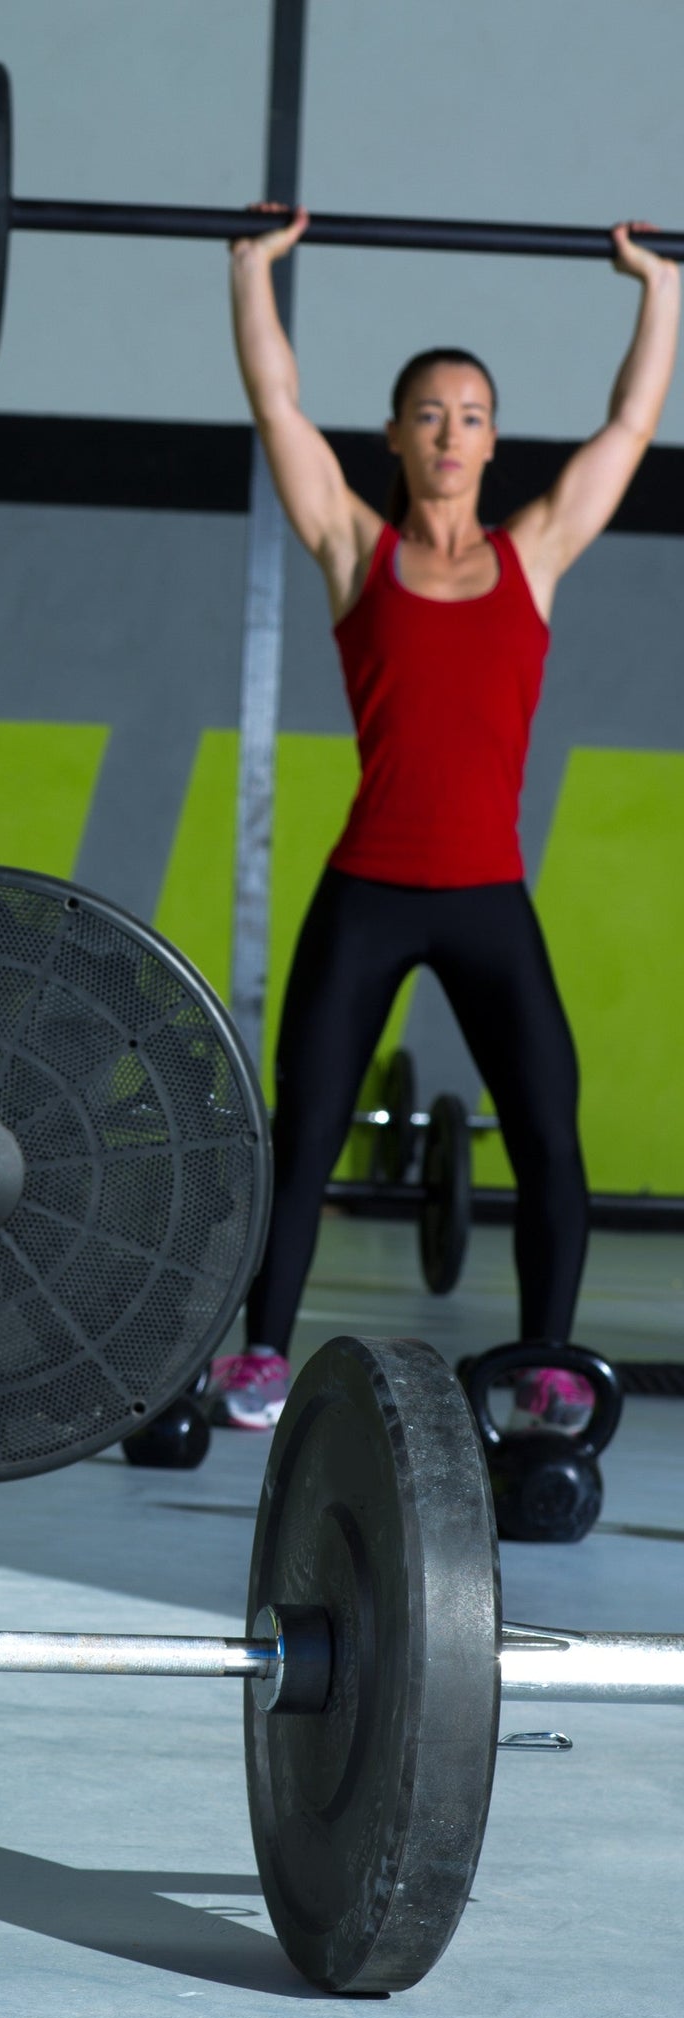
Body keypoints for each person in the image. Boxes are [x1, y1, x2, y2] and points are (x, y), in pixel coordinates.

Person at [208, 209, 679, 1430]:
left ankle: (549, 1363)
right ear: (395, 438)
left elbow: (630, 424)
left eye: (469, 414)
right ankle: (260, 1357)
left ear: (491, 439)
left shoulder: (534, 555)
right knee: (301, 1128)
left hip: (483, 891)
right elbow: (275, 407)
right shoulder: (352, 549)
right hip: (368, 882)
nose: (450, 432)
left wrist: (657, 286)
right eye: (427, 413)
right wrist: (251, 269)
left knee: (546, 1134)